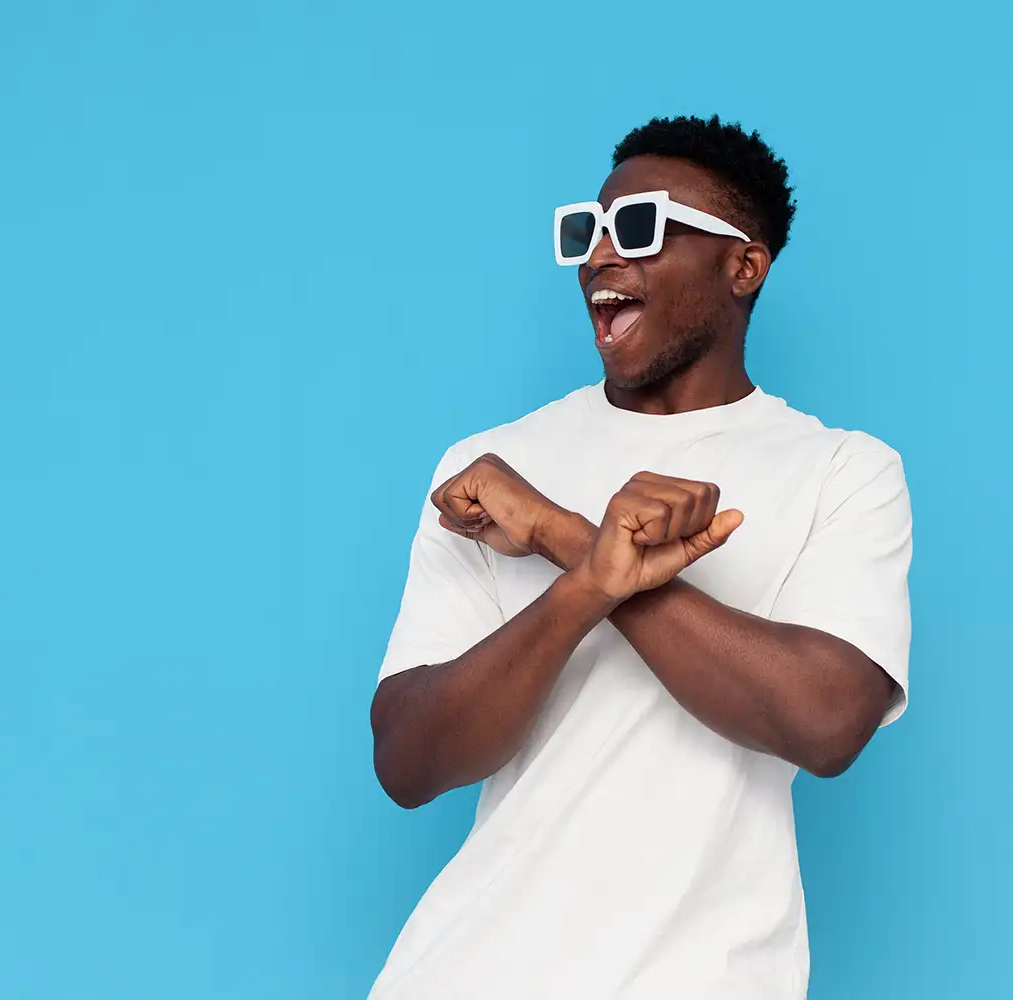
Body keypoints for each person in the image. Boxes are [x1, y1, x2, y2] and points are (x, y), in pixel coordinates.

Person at [368, 114, 912, 1000]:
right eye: (588, 229)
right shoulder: (489, 470)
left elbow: (826, 723)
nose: (599, 257)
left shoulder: (842, 471)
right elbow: (408, 760)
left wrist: (561, 537)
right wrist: (589, 582)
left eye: (640, 227)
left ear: (743, 266)